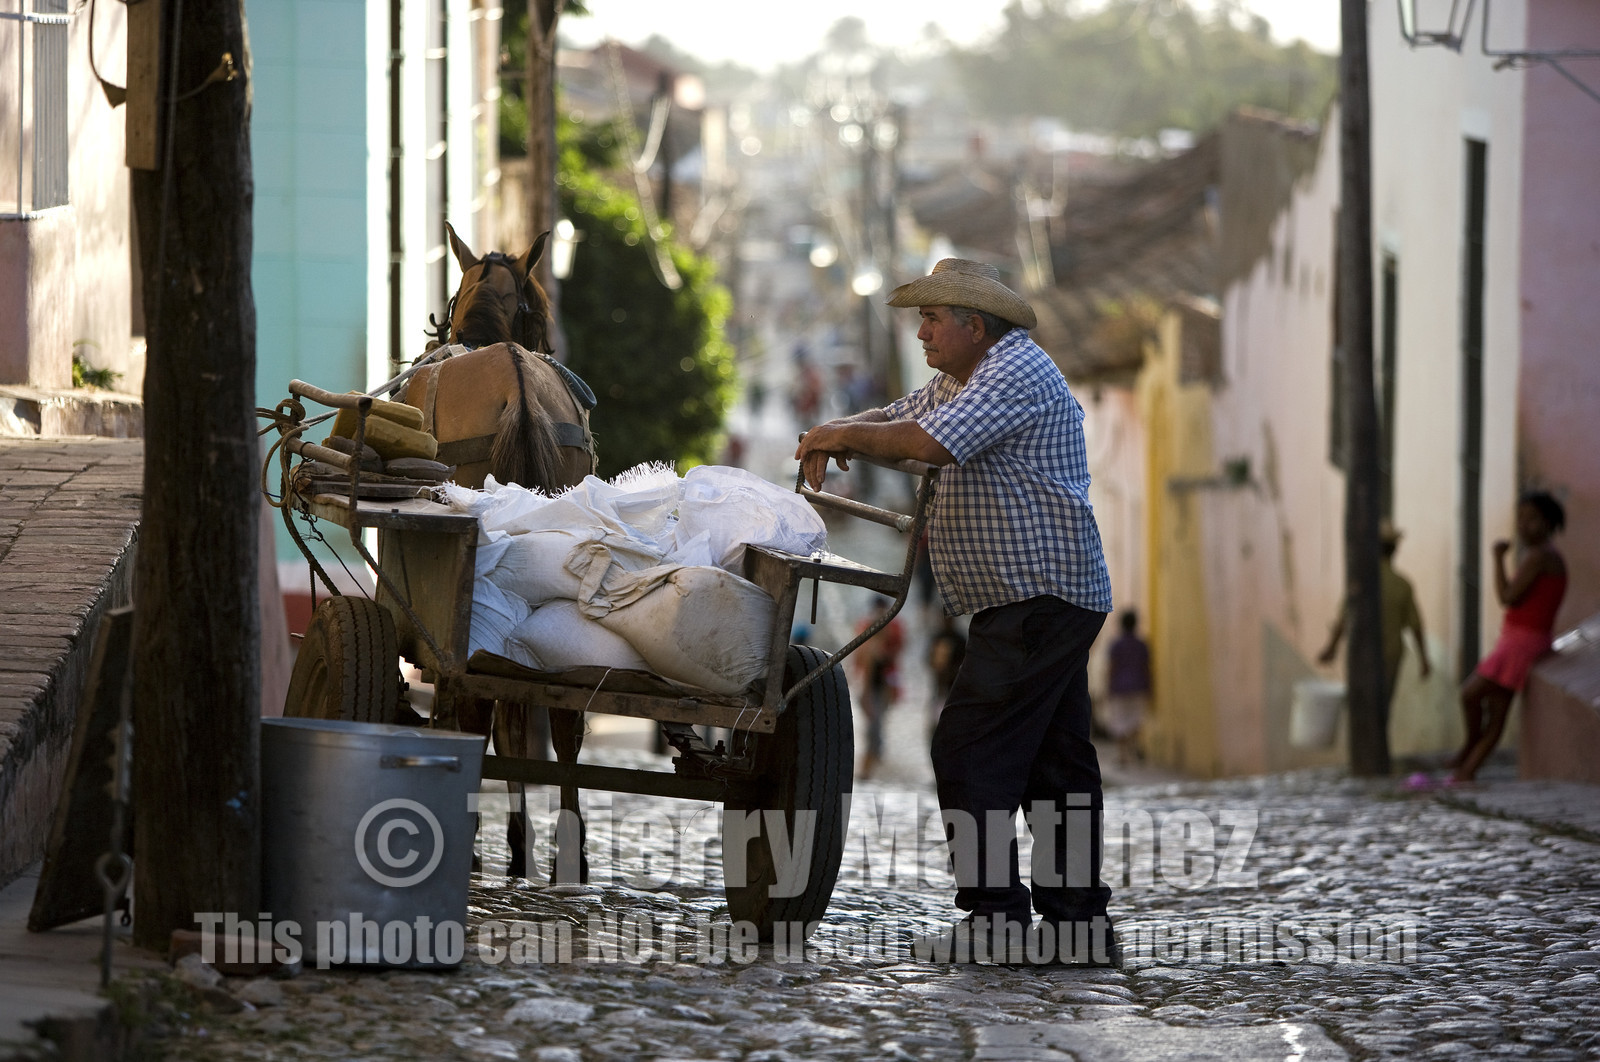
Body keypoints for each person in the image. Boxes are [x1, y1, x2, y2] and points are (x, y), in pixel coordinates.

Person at [796, 258, 1117, 966]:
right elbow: (900, 417)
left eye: (933, 319)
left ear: (976, 325)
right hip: (1036, 596)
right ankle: (1077, 928)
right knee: (1058, 769)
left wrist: (840, 437)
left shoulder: (1014, 372)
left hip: (1039, 591)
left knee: (968, 748)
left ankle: (996, 920)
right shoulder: (960, 378)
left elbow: (925, 443)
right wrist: (839, 427)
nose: (921, 332)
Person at [1451, 491, 1567, 783]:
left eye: (1531, 519)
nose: (1523, 526)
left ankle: (1469, 748)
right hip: (1520, 639)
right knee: (1497, 710)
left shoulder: (1540, 558)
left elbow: (1507, 597)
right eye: (1521, 519)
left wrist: (1497, 559)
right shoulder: (1543, 557)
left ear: (1547, 523)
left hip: (1521, 643)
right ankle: (1468, 770)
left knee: (1471, 695)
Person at [1316, 520, 1432, 721]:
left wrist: (1331, 648)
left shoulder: (1360, 581)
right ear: (1394, 549)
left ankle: (1365, 751)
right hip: (1390, 655)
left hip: (1361, 654)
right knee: (1382, 709)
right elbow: (1416, 626)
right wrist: (1424, 659)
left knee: (1361, 710)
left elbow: (1343, 620)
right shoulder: (1402, 584)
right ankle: (1378, 751)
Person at [852, 597, 905, 780]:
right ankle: (868, 768)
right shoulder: (872, 647)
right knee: (873, 729)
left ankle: (871, 766)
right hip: (872, 692)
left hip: (879, 690)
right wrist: (866, 698)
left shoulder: (885, 641)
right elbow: (866, 674)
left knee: (876, 727)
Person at [1102, 611, 1152, 767]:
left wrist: (1108, 686)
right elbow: (1146, 667)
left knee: (1119, 721)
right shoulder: (1141, 644)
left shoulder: (1116, 645)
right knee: (1135, 719)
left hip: (1119, 687)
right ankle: (1134, 747)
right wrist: (1150, 688)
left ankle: (1123, 755)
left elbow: (1112, 667)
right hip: (1138, 686)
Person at [926, 612, 967, 743]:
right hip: (940, 688)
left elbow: (965, 663)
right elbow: (929, 660)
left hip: (953, 688)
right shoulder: (937, 637)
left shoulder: (959, 639)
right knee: (936, 725)